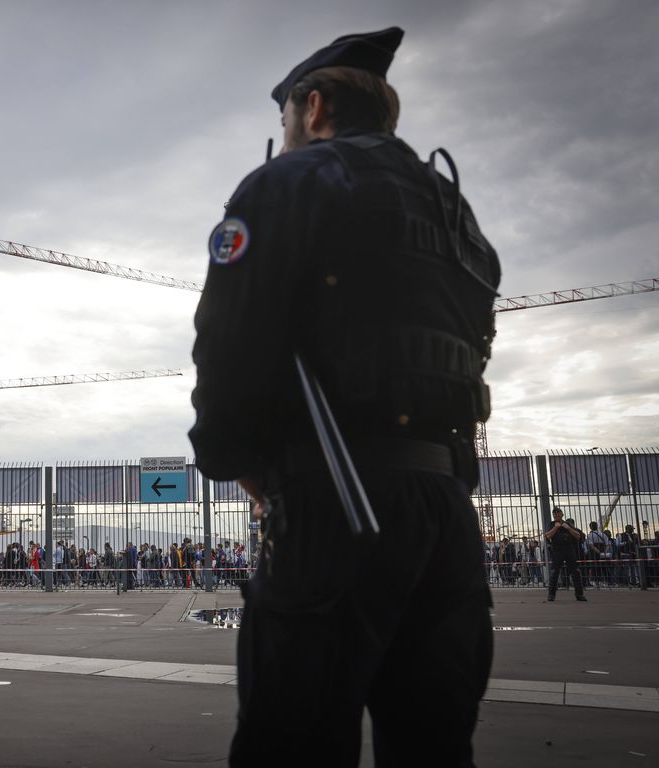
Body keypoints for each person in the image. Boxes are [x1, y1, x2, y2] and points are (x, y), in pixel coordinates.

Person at [189, 27, 500, 766]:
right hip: (445, 508)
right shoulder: (456, 211)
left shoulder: (286, 184)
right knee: (433, 741)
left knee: (291, 740)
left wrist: (236, 462)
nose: (287, 137)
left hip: (335, 501)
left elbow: (227, 340)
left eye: (286, 122)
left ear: (315, 106)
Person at [545, 509, 586, 601]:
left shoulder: (568, 524)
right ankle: (551, 595)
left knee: (575, 572)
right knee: (554, 573)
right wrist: (555, 528)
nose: (556, 516)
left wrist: (568, 528)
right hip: (557, 550)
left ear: (562, 515)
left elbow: (578, 536)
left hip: (569, 550)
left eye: (558, 514)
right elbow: (547, 536)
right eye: (554, 515)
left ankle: (579, 594)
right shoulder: (551, 525)